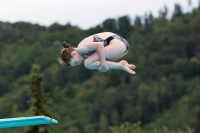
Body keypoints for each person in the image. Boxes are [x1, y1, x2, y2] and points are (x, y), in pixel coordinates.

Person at [57, 32, 136, 74]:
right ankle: (121, 65)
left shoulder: (81, 48)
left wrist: (103, 64)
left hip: (117, 42)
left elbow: (100, 45)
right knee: (92, 62)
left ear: (73, 54)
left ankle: (120, 65)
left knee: (87, 63)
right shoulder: (85, 53)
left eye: (76, 62)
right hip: (121, 46)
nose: (78, 64)